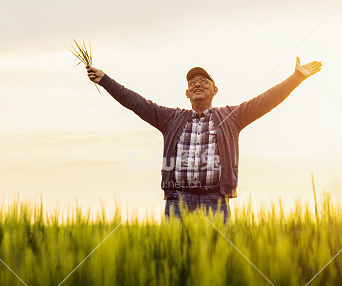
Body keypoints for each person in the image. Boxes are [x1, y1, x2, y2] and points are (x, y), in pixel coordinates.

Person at [85, 57, 322, 225]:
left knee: (215, 259)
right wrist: (105, 80)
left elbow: (265, 101)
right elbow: (134, 101)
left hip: (214, 200)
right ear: (187, 94)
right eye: (191, 83)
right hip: (178, 201)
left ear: (215, 90)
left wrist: (296, 78)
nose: (197, 84)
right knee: (176, 261)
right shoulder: (170, 119)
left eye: (203, 82)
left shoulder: (231, 116)